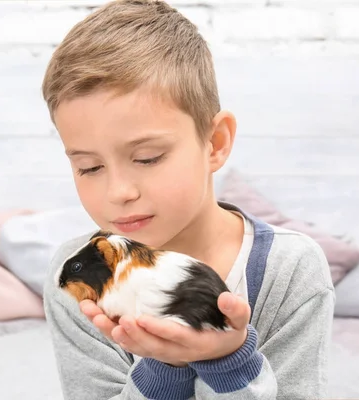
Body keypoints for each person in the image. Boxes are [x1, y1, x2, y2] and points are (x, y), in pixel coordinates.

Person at [40, 1, 335, 399]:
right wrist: (167, 367)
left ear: (214, 143)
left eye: (148, 158)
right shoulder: (76, 278)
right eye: (90, 167)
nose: (118, 193)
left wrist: (230, 363)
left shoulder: (290, 270)